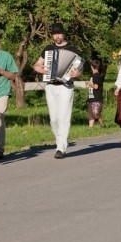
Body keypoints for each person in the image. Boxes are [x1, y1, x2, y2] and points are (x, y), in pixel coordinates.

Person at [33, 23, 83, 159]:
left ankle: (61, 148)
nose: (57, 36)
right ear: (52, 35)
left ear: (64, 34)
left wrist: (76, 74)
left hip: (66, 86)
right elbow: (37, 65)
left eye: (59, 33)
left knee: (63, 117)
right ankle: (60, 141)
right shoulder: (48, 49)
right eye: (55, 34)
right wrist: (42, 69)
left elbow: (79, 69)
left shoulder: (73, 49)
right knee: (54, 119)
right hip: (50, 85)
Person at [86, 59, 106, 128]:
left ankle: (103, 125)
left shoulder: (96, 75)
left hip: (96, 98)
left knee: (96, 114)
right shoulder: (94, 75)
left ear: (92, 66)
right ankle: (90, 128)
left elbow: (96, 86)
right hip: (91, 97)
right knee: (91, 114)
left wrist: (89, 83)